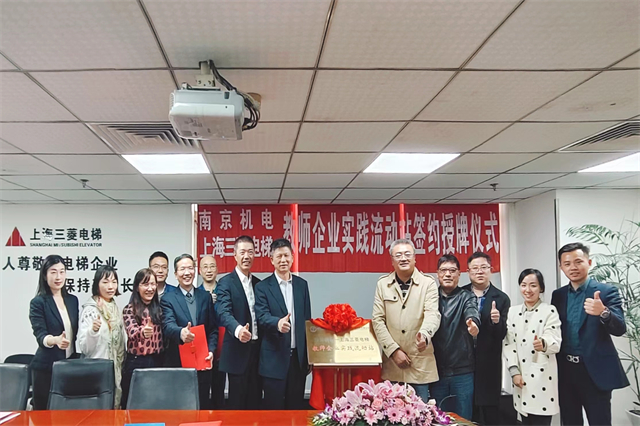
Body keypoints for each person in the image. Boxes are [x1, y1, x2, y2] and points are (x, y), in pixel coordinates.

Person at [552, 243, 628, 426]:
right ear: (561, 267)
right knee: (570, 421)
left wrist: (604, 312)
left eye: (578, 262)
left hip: (594, 370)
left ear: (589, 262)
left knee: (599, 421)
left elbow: (620, 328)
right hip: (565, 370)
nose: (573, 267)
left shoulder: (606, 291)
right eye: (567, 263)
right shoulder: (558, 295)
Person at [372, 238, 441, 402]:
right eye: (398, 255)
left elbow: (433, 314)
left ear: (415, 258)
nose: (403, 258)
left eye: (407, 254)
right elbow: (377, 320)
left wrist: (425, 335)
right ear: (392, 261)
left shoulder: (428, 283)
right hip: (393, 364)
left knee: (420, 413)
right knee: (390, 413)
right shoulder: (383, 284)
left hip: (419, 363)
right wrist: (393, 351)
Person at [255, 238, 312, 410]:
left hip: (297, 360)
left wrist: (309, 356)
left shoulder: (302, 285)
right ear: (271, 260)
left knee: (295, 409)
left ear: (292, 257)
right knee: (274, 412)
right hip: (273, 360)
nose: (283, 260)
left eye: (286, 255)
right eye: (278, 256)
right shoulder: (262, 287)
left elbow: (307, 321)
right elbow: (261, 316)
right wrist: (277, 323)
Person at [504, 269, 562, 426]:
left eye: (533, 285)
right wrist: (514, 371)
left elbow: (554, 337)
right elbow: (509, 344)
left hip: (542, 378)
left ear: (541, 288)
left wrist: (543, 344)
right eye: (523, 285)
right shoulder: (513, 312)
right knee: (525, 421)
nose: (528, 290)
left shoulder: (549, 310)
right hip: (521, 378)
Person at [161, 254, 218, 409]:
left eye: (190, 268)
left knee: (202, 406)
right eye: (182, 269)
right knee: (180, 408)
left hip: (202, 363)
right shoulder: (168, 299)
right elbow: (167, 326)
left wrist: (211, 350)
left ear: (195, 271)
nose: (187, 273)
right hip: (179, 365)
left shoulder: (205, 297)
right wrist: (181, 333)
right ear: (175, 274)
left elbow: (212, 329)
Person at [461, 252, 510, 426]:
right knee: (467, 410)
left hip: (489, 362)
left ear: (491, 269)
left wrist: (496, 322)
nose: (479, 271)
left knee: (490, 411)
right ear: (468, 271)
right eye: (475, 268)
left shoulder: (501, 298)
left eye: (484, 267)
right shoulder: (461, 294)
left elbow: (502, 334)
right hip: (463, 362)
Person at [430, 254, 480, 420]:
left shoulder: (467, 296)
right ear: (437, 273)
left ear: (459, 274)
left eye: (452, 270)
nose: (448, 274)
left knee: (463, 420)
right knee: (437, 419)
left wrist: (473, 323)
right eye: (443, 270)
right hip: (436, 372)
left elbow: (471, 310)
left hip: (462, 372)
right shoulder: (430, 298)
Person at [216, 235, 262, 410]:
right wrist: (238, 330)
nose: (246, 256)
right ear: (235, 255)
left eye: (250, 252)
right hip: (237, 352)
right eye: (242, 252)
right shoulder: (225, 283)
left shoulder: (259, 284)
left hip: (258, 352)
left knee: (255, 402)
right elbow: (223, 312)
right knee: (237, 405)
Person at [28, 254, 79, 410]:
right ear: (45, 275)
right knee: (43, 413)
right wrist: (55, 340)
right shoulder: (38, 302)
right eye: (53, 272)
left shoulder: (72, 300)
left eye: (62, 272)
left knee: (67, 412)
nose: (58, 277)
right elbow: (40, 335)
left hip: (69, 365)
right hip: (46, 368)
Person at [77, 265, 126, 407]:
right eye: (105, 282)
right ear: (97, 285)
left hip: (115, 370)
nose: (111, 286)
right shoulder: (91, 310)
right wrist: (93, 331)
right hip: (96, 371)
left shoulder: (115, 308)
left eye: (114, 282)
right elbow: (85, 347)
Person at [121, 268, 164, 409]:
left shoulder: (160, 308)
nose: (150, 288)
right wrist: (143, 332)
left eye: (153, 284)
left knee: (155, 403)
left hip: (158, 360)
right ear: (137, 287)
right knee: (133, 403)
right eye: (145, 284)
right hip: (136, 362)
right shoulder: (129, 309)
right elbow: (131, 331)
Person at [197, 255, 226, 409]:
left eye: (212, 266)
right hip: (202, 345)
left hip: (222, 344)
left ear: (217, 269)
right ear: (200, 271)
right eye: (205, 267)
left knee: (219, 388)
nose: (209, 270)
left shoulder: (224, 290)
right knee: (202, 389)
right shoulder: (196, 293)